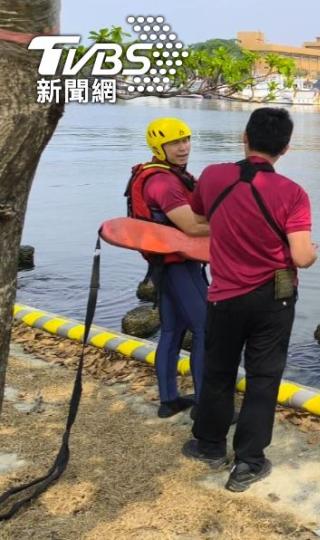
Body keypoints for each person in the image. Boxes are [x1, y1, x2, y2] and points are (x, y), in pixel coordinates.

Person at [182, 108, 317, 492]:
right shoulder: (293, 193)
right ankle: (248, 462)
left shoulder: (212, 176)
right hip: (275, 296)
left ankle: (209, 444)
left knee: (219, 370)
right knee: (262, 378)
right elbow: (302, 256)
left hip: (224, 294)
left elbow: (200, 218)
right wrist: (314, 252)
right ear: (286, 148)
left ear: (245, 136)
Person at [125, 117, 209, 418]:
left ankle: (169, 400)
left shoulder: (170, 175)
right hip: (178, 267)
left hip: (168, 265)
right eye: (175, 142)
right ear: (158, 147)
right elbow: (192, 226)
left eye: (186, 139)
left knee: (172, 331)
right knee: (206, 330)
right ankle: (206, 406)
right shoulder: (163, 182)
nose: (183, 147)